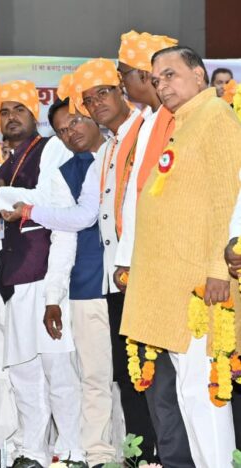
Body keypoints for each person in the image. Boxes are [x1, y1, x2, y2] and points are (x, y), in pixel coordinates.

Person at [121, 45, 240, 467]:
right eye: (156, 80)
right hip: (173, 284)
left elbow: (227, 199)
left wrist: (217, 270)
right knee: (188, 391)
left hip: (200, 285)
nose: (162, 85)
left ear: (198, 74)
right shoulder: (185, 123)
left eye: (170, 75)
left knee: (203, 390)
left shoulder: (216, 116)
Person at [61, 57, 163, 463]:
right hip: (116, 278)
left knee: (156, 373)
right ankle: (140, 453)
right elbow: (91, 213)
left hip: (146, 271)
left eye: (103, 92)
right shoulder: (108, 148)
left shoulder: (148, 129)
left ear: (123, 91)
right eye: (88, 100)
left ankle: (160, 454)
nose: (96, 103)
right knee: (127, 372)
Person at [2, 95, 112, 467]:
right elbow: (61, 233)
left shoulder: (99, 155)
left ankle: (79, 451)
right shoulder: (49, 169)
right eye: (63, 130)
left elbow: (75, 219)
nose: (70, 133)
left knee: (67, 371)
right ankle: (53, 452)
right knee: (46, 372)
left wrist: (27, 209)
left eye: (75, 122)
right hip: (51, 283)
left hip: (86, 280)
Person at [113, 31, 194, 467]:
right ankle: (170, 457)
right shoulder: (146, 123)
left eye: (125, 74)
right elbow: (134, 199)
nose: (123, 82)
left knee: (186, 377)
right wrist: (125, 260)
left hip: (177, 266)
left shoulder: (183, 120)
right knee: (158, 379)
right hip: (144, 267)